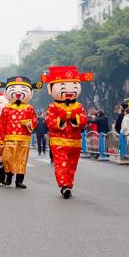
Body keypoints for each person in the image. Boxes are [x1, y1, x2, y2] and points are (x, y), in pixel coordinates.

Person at [42, 66, 92, 198]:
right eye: (63, 86)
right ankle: (64, 186)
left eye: (74, 86)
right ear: (50, 89)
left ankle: (69, 185)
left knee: (71, 166)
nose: (69, 91)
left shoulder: (79, 106)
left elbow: (83, 120)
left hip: (75, 142)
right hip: (59, 142)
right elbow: (49, 122)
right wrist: (62, 119)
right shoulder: (53, 107)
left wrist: (74, 118)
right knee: (61, 164)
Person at [0, 76, 41, 189]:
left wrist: (29, 123)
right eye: (14, 90)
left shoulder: (29, 108)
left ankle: (19, 181)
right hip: (9, 138)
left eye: (23, 90)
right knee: (8, 158)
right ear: (6, 93)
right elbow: (1, 125)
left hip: (24, 138)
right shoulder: (6, 109)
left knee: (22, 159)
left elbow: (34, 121)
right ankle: (9, 175)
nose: (19, 93)